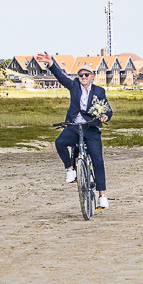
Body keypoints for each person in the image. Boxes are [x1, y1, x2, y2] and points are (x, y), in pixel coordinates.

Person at [35, 52, 113, 209]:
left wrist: (105, 117)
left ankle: (102, 195)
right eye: (80, 75)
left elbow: (107, 109)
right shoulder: (74, 86)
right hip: (74, 126)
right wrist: (51, 64)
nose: (83, 77)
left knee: (97, 160)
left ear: (92, 76)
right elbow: (61, 77)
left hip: (91, 127)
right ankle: (70, 169)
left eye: (86, 74)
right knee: (60, 142)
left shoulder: (99, 91)